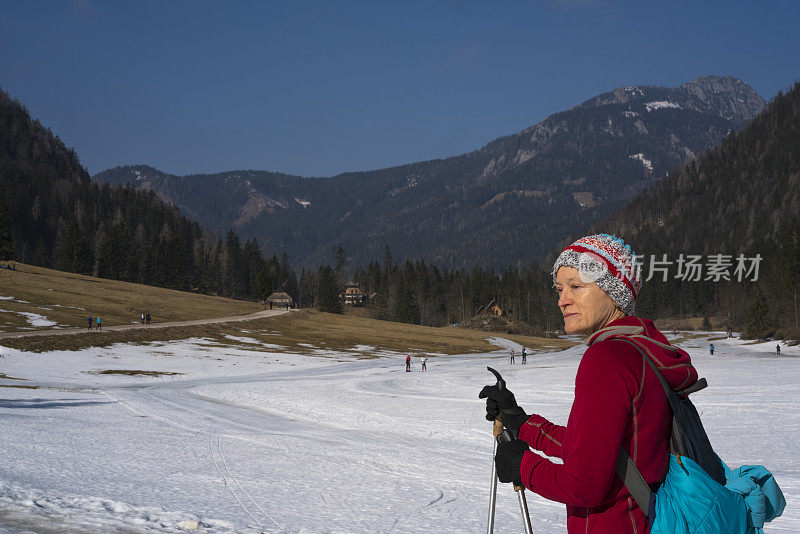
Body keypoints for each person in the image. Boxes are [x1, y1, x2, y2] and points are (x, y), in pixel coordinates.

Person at [479, 234, 698, 533]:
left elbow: (584, 485)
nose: (562, 300)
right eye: (559, 289)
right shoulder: (642, 348)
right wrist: (523, 423)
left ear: (613, 291)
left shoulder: (607, 358)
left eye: (576, 286)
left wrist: (522, 465)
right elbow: (598, 447)